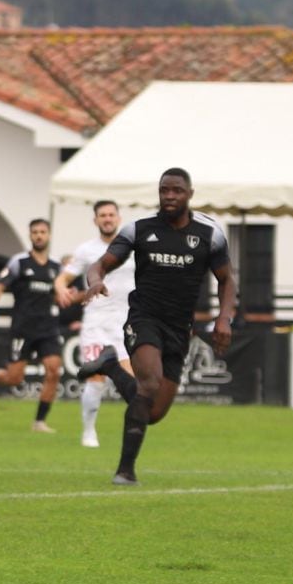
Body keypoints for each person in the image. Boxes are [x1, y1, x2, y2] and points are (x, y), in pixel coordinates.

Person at [78, 167, 236, 486]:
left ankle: (110, 364)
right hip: (144, 318)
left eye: (176, 190)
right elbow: (101, 264)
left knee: (153, 413)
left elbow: (227, 279)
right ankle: (125, 470)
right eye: (164, 190)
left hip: (180, 329)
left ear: (190, 194)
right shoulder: (139, 229)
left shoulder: (210, 233)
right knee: (148, 385)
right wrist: (94, 281)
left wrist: (224, 318)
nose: (169, 196)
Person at [54, 200, 136, 448]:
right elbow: (63, 279)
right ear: (95, 220)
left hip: (126, 323)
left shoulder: (133, 249)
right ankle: (89, 431)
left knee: (132, 383)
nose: (107, 219)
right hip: (96, 324)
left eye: (111, 214)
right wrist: (61, 289)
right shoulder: (86, 250)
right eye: (102, 215)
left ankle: (133, 434)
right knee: (96, 379)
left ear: (118, 218)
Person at [0, 219, 63, 433]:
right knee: (15, 378)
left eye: (43, 232)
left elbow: (60, 295)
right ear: (30, 235)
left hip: (47, 329)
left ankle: (39, 421)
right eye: (35, 232)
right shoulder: (19, 262)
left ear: (49, 235)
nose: (39, 236)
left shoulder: (55, 267)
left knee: (53, 371)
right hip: (23, 328)